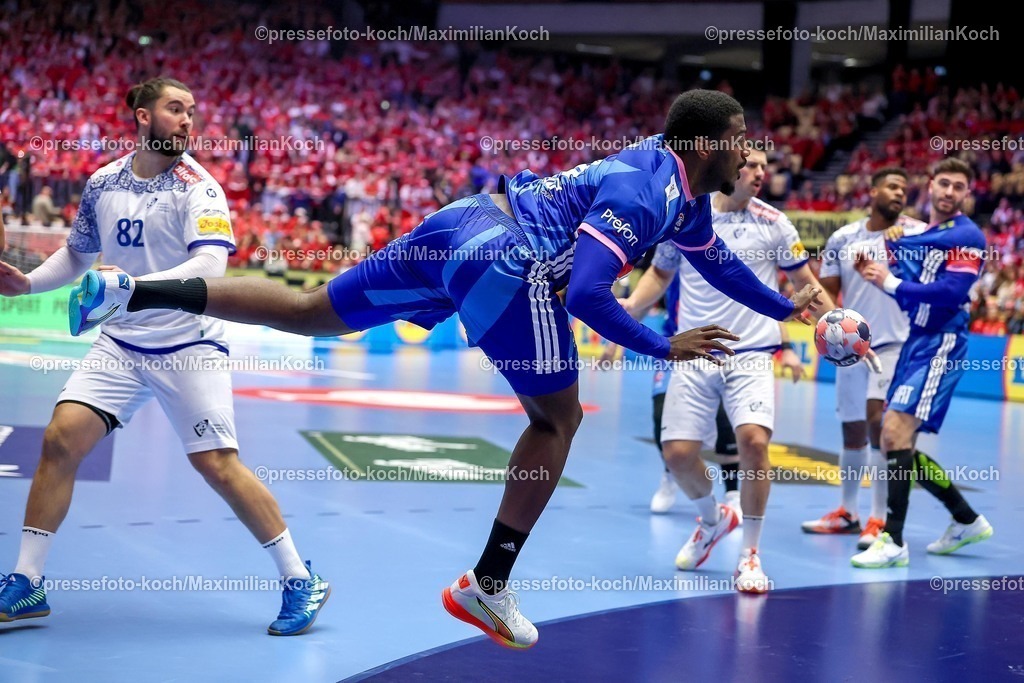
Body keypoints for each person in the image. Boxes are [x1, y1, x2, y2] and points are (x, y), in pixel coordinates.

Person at [66, 89, 821, 647]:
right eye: (739, 137)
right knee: (557, 419)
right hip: (507, 256)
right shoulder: (644, 188)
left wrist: (800, 312)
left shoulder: (683, 197)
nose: (749, 148)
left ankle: (131, 288)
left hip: (462, 222)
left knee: (312, 309)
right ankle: (488, 583)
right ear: (703, 145)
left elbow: (719, 265)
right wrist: (664, 345)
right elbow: (589, 290)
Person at [0, 78, 329, 635]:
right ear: (141, 116)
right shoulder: (104, 182)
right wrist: (27, 284)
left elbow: (209, 270)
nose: (187, 120)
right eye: (175, 109)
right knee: (59, 440)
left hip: (188, 344)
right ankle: (27, 583)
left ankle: (301, 579)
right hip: (121, 342)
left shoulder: (199, 189)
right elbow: (79, 253)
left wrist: (131, 284)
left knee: (217, 465)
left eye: (192, 111)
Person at [620, 148, 835, 593]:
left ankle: (750, 554)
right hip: (696, 349)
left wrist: (838, 324)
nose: (761, 174)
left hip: (753, 351)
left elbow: (804, 284)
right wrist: (629, 309)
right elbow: (660, 275)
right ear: (731, 169)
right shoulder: (683, 217)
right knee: (678, 454)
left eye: (765, 168)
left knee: (754, 443)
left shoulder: (776, 223)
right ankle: (714, 520)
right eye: (753, 165)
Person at [851, 157, 994, 568]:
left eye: (958, 187)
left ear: (967, 194)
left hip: (943, 342)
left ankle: (892, 540)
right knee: (900, 442)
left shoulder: (968, 235)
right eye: (943, 183)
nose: (949, 192)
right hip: (918, 341)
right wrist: (877, 276)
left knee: (893, 431)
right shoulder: (926, 234)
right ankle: (966, 519)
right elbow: (912, 294)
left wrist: (890, 281)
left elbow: (951, 292)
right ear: (930, 186)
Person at [801, 167, 925, 550]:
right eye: (892, 186)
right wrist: (826, 328)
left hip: (896, 346)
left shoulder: (917, 235)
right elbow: (828, 293)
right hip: (853, 350)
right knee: (852, 430)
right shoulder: (843, 238)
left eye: (904, 188)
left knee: (877, 424)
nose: (899, 192)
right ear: (872, 192)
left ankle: (879, 517)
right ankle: (848, 512)